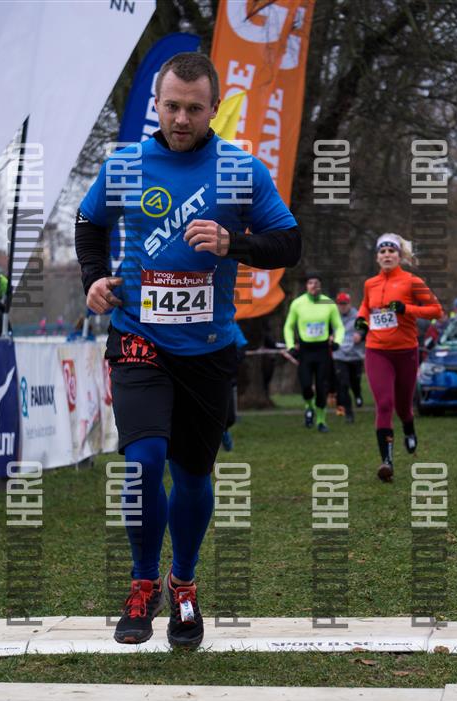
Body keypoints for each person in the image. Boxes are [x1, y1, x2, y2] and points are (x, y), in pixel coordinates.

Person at [75, 52, 301, 648]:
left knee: (193, 477)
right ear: (156, 103)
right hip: (138, 336)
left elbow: (289, 243)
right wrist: (93, 278)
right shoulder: (126, 165)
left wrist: (234, 242)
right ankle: (142, 582)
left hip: (208, 349)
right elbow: (89, 222)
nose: (181, 119)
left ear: (213, 108)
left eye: (194, 109)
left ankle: (183, 582)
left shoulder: (239, 169)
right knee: (144, 461)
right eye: (171, 106)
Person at [355, 233, 442, 482]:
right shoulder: (370, 284)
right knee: (384, 404)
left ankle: (409, 426)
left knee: (403, 406)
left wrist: (406, 309)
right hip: (377, 350)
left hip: (405, 352)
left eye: (391, 251)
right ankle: (387, 461)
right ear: (377, 257)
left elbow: (436, 311)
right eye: (382, 252)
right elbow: (366, 306)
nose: (387, 255)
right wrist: (361, 320)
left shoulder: (412, 281)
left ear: (400, 255)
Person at [283, 273, 344, 432]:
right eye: (310, 282)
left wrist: (337, 342)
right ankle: (309, 407)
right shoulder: (298, 303)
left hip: (323, 350)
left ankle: (321, 421)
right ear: (306, 286)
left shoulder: (328, 302)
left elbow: (339, 326)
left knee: (322, 387)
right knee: (306, 386)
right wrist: (290, 346)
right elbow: (288, 326)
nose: (313, 285)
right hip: (305, 351)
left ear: (320, 285)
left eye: (316, 282)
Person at [332, 292, 365, 422]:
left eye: (345, 304)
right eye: (340, 304)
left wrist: (360, 335)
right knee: (343, 384)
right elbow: (328, 329)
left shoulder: (358, 315)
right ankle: (349, 413)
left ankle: (358, 394)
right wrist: (330, 337)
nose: (342, 306)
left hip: (355, 355)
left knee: (355, 382)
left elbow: (365, 329)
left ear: (349, 304)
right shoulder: (333, 316)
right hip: (340, 356)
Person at [221, 320, 248, 452]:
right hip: (203, 373)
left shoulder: (231, 324)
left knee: (230, 417)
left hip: (225, 376)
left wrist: (232, 365)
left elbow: (242, 346)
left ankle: (224, 431)